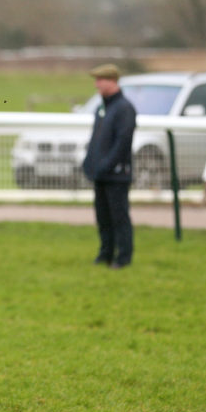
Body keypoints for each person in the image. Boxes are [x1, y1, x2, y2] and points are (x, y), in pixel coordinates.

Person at [82, 63, 137, 269]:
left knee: (119, 217)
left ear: (112, 81)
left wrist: (106, 165)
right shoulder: (102, 108)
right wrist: (89, 162)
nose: (96, 84)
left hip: (117, 174)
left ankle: (123, 257)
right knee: (103, 218)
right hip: (101, 174)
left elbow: (122, 143)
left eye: (100, 80)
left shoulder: (124, 109)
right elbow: (96, 140)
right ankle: (105, 254)